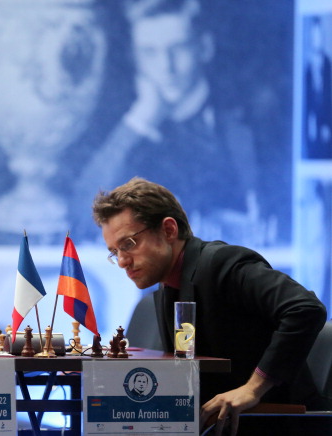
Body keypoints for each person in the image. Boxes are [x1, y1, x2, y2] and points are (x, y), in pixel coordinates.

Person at [92, 177, 327, 436]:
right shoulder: (167, 286)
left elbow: (305, 308)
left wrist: (253, 388)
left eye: (129, 244)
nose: (123, 261)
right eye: (115, 252)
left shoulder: (223, 264)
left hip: (277, 423)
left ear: (168, 230)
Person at [72, 0, 265, 246]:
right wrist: (140, 120)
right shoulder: (121, 125)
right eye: (150, 52)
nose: (166, 66)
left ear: (204, 47)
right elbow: (80, 218)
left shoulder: (247, 124)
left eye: (179, 48)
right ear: (135, 57)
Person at [303, 15, 332, 159]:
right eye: (314, 36)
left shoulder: (328, 64)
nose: (317, 39)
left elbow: (328, 95)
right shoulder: (306, 66)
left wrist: (327, 123)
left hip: (326, 121)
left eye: (319, 35)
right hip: (311, 122)